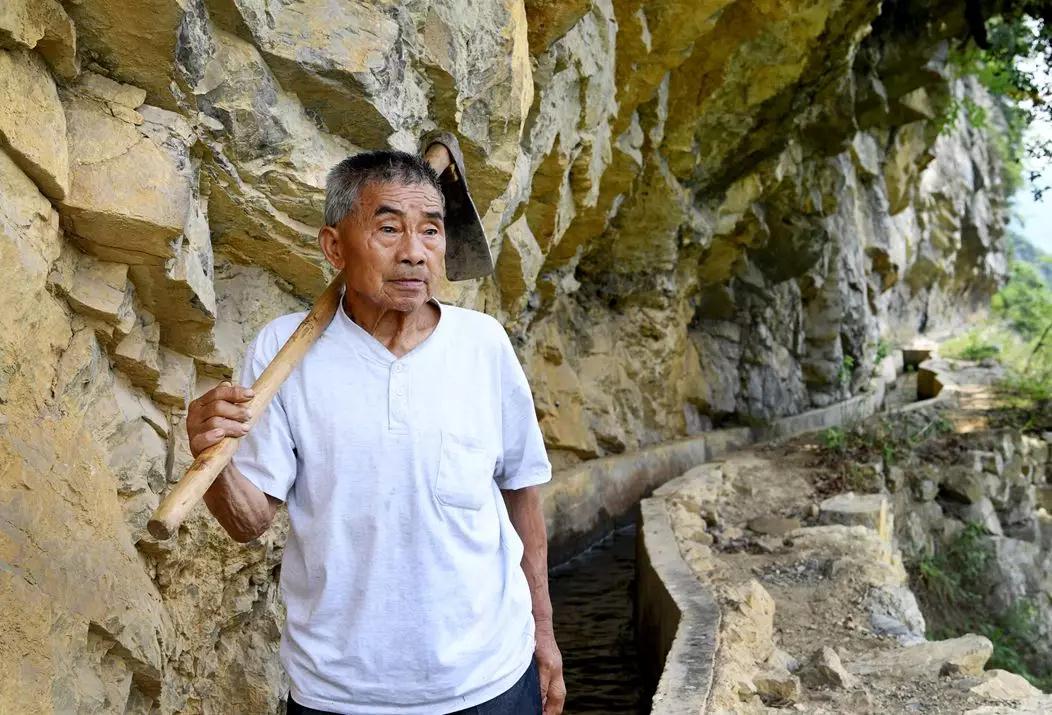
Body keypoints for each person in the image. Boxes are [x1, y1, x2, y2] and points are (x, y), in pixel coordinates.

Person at [189, 151, 566, 714]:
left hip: (490, 681)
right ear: (334, 247)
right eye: (388, 229)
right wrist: (209, 456)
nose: (414, 252)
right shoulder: (281, 353)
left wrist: (544, 633)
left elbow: (522, 495)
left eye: (430, 230)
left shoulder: (483, 345)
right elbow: (248, 521)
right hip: (340, 696)